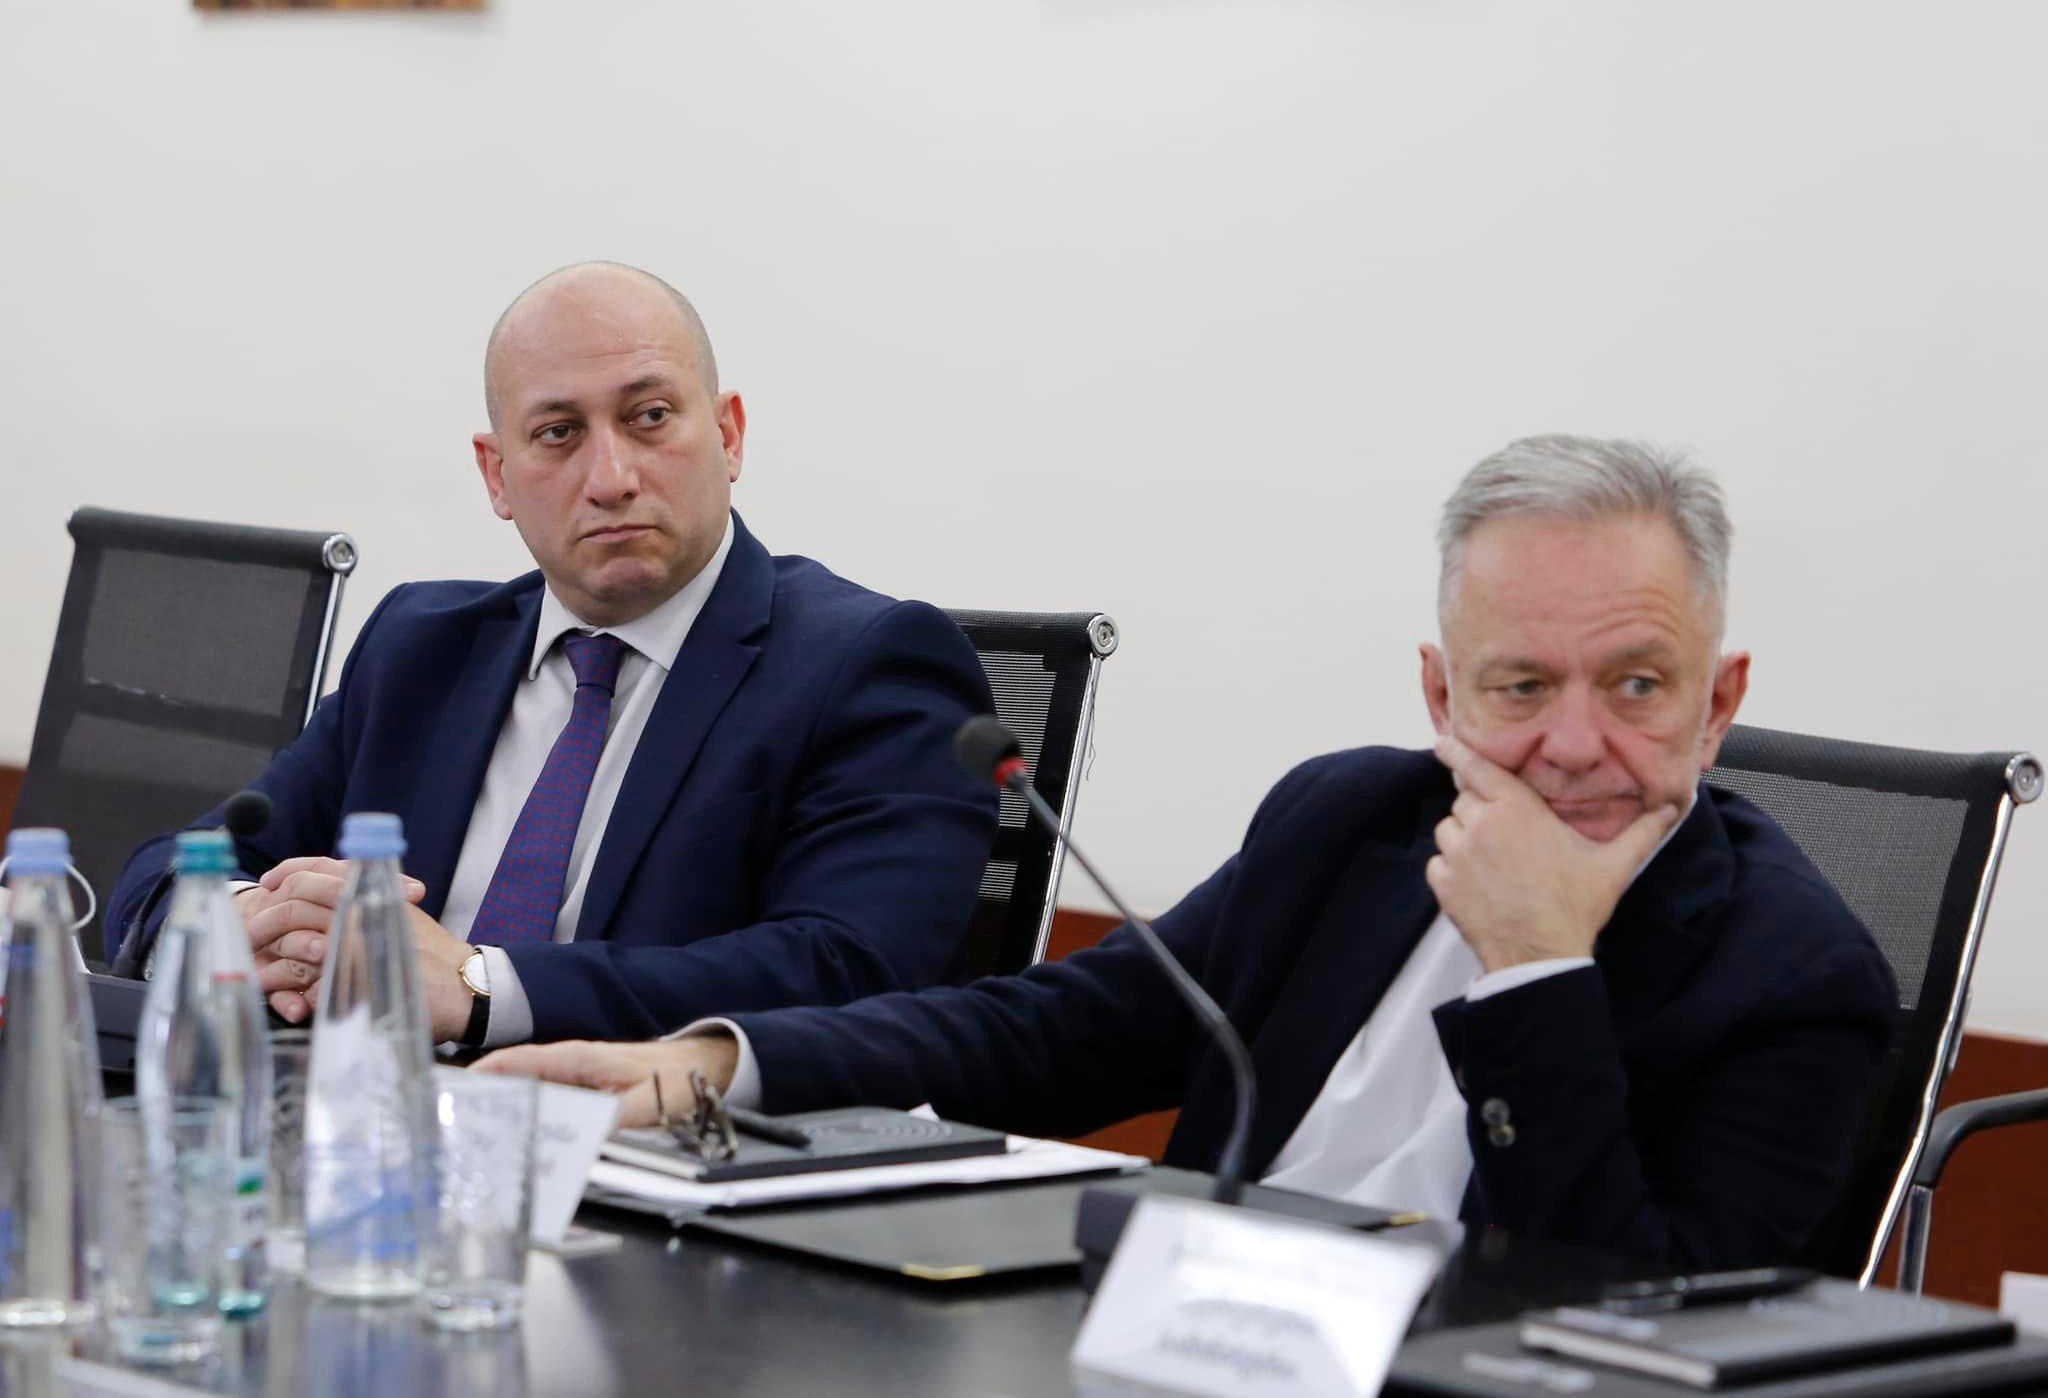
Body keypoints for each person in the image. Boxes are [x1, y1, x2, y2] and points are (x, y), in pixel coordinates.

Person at [482, 435, 1898, 1270]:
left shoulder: (1793, 976)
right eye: (1521, 686)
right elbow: (1050, 1033)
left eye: (1637, 685)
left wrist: (1536, 971)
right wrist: (715, 1065)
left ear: (1719, 702)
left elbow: (1634, 1322)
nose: (1575, 744)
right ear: (1440, 695)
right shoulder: (1351, 823)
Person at [106, 261, 999, 1049]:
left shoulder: (868, 664)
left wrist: (481, 988)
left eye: (650, 417)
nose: (611, 478)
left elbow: (848, 970)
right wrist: (243, 923)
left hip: (644, 1149)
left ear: (728, 435)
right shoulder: (423, 649)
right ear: (498, 475)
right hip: (375, 1123)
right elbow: (179, 866)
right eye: (559, 433)